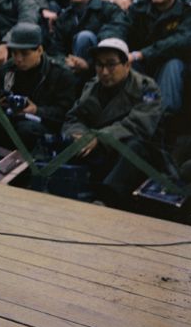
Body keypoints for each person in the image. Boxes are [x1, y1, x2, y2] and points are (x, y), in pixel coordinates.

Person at [61, 38, 164, 206]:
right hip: (100, 153)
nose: (104, 71)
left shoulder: (146, 89)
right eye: (99, 65)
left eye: (111, 64)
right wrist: (79, 135)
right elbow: (74, 117)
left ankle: (107, 200)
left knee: (135, 147)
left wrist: (98, 138)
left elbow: (138, 126)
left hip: (135, 159)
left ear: (127, 65)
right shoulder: (93, 87)